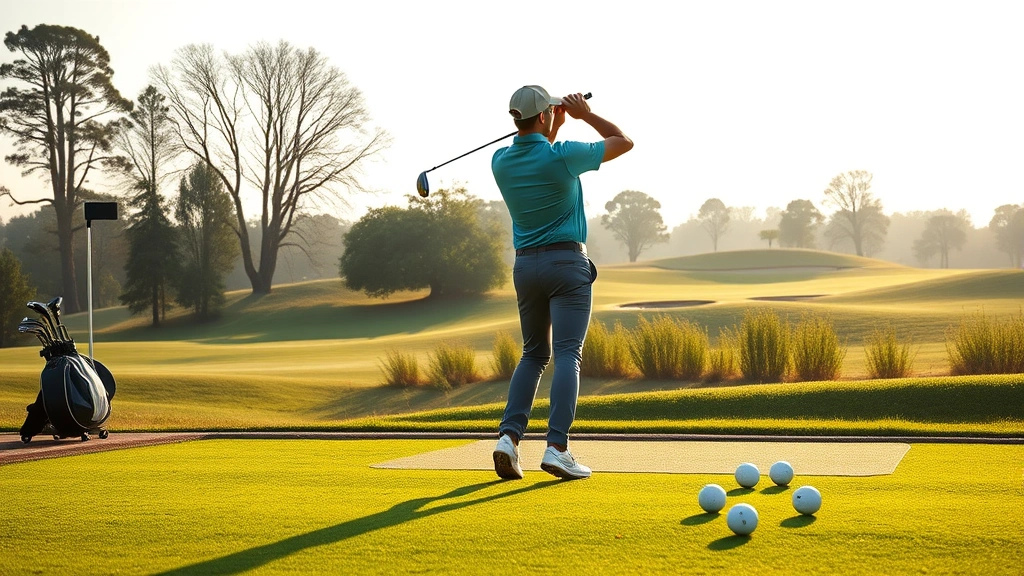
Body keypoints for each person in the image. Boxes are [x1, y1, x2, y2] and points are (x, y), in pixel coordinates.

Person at [490, 86, 633, 480]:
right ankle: (557, 448)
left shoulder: (500, 161)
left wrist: (549, 124)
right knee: (568, 353)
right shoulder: (564, 154)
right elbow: (623, 142)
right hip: (567, 264)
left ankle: (508, 439)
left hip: (525, 268)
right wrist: (583, 114)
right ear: (543, 116)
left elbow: (535, 153)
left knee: (533, 354)